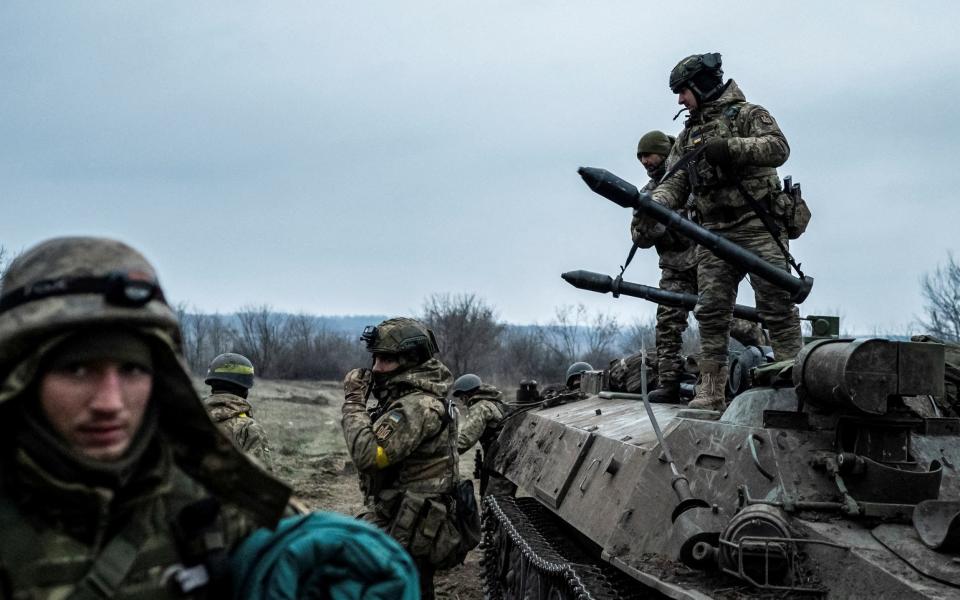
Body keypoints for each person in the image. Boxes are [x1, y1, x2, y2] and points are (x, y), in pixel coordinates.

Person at [0, 236, 419, 599]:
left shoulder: (207, 505)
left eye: (132, 370)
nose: (109, 401)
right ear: (22, 376)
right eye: (78, 370)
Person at [651, 52, 803, 410]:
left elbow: (779, 148)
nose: (679, 100)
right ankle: (710, 389)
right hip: (714, 234)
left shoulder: (749, 115)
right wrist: (654, 205)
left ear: (701, 86)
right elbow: (674, 182)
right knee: (712, 311)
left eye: (683, 91)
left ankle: (797, 385)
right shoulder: (688, 135)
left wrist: (729, 148)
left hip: (757, 227)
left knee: (778, 306)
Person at [341, 317, 474, 600]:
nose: (376, 368)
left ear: (412, 360)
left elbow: (368, 455)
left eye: (386, 360)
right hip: (408, 521)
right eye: (375, 358)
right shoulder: (417, 397)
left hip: (410, 527)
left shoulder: (417, 406)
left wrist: (354, 402)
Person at [631, 130, 697, 403]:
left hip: (706, 260)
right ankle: (669, 382)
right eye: (641, 157)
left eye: (649, 155)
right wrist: (652, 223)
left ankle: (765, 357)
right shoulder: (647, 194)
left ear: (665, 152)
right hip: (674, 266)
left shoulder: (690, 179)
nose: (645, 161)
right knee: (668, 323)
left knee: (727, 319)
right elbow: (638, 237)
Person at [204, 352, 273, 471]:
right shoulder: (249, 429)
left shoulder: (191, 418)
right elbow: (262, 482)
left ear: (212, 386)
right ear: (245, 390)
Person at [452, 374, 515, 496]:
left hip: (499, 463)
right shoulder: (494, 402)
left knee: (493, 503)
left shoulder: (480, 407)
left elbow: (465, 440)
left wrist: (445, 453)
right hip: (507, 461)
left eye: (461, 397)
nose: (462, 402)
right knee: (503, 501)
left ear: (466, 394)